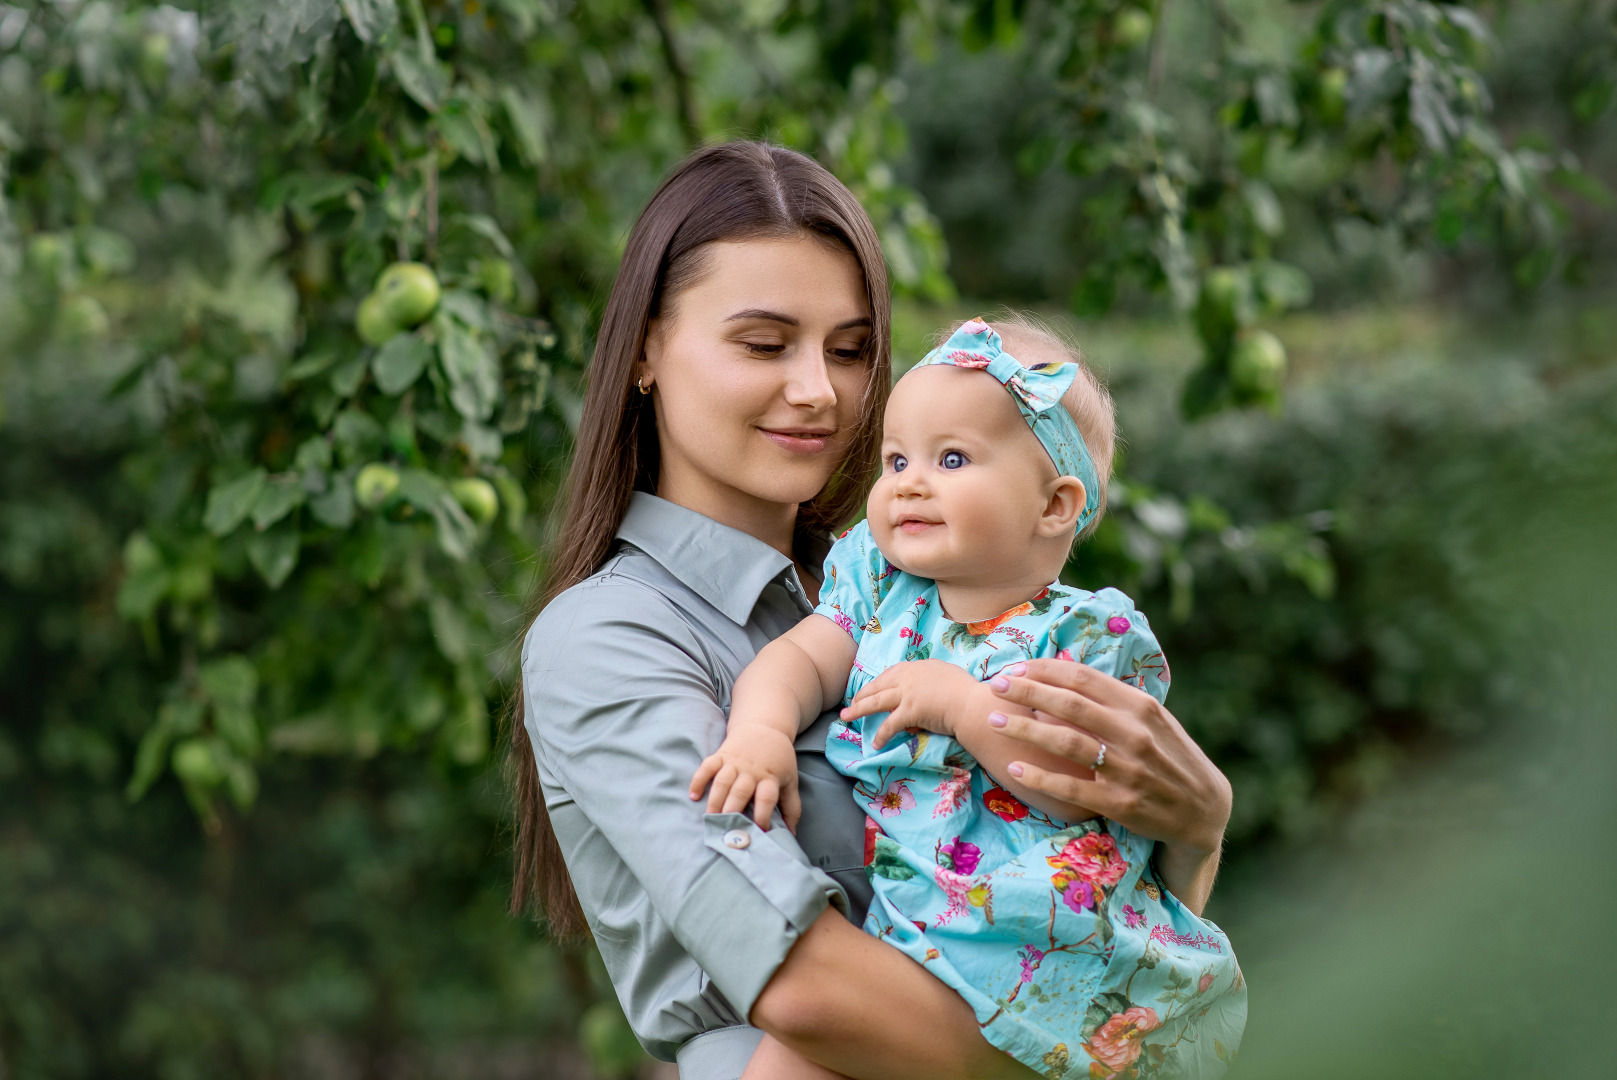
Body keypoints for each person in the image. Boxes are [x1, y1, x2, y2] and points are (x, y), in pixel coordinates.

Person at [510, 141, 1235, 1080]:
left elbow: (1116, 906)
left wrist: (1197, 823)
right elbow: (805, 989)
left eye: (850, 351)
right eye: (764, 343)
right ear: (646, 346)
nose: (819, 389)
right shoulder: (611, 636)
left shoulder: (909, 596)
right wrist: (1106, 1059)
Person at [692, 316, 1245, 1080]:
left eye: (950, 458)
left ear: (1053, 506)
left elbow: (1078, 791)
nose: (908, 481)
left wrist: (962, 705)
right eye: (895, 459)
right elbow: (797, 660)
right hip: (908, 930)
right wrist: (758, 732)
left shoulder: (1089, 637)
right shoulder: (881, 592)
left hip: (1050, 942)